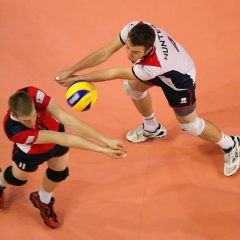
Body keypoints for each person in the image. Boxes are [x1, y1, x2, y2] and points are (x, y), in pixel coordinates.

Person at [54, 20, 240, 177]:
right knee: (131, 88)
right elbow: (105, 53)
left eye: (134, 52)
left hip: (179, 78)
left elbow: (113, 72)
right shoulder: (135, 27)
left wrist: (78, 79)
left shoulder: (150, 67)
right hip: (164, 66)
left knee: (190, 126)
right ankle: (152, 128)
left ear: (149, 48)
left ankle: (231, 144)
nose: (128, 55)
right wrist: (72, 70)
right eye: (127, 47)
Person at [0, 86, 127, 229]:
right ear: (15, 116)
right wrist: (102, 149)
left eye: (34, 115)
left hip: (54, 134)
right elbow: (62, 138)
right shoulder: (14, 130)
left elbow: (65, 118)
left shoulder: (32, 94)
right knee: (17, 179)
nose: (32, 122)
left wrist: (105, 139)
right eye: (26, 121)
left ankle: (42, 200)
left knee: (59, 172)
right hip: (32, 150)